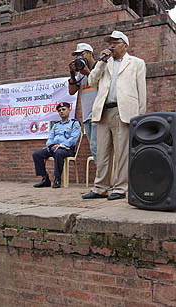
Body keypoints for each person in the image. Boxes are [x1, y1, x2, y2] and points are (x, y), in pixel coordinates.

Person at [82, 30, 146, 201]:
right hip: (103, 111)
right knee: (102, 153)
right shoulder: (104, 63)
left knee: (122, 153)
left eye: (115, 42)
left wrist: (139, 117)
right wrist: (101, 62)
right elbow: (91, 81)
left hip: (123, 112)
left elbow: (142, 91)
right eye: (110, 42)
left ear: (125, 45)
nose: (111, 45)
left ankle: (120, 188)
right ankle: (100, 188)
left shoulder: (137, 63)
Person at [32, 102, 81, 189]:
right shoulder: (56, 125)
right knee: (37, 154)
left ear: (69, 110)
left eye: (63, 109)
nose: (61, 111)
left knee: (59, 153)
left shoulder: (74, 123)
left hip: (67, 149)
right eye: (59, 110)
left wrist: (60, 145)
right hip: (54, 147)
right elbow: (50, 137)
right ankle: (45, 179)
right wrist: (50, 145)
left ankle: (57, 179)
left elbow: (73, 139)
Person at [68, 43, 98, 163]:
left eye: (82, 54)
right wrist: (72, 74)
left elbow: (100, 84)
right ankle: (102, 177)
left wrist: (88, 73)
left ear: (90, 53)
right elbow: (71, 91)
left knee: (98, 148)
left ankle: (102, 178)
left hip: (98, 115)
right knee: (93, 147)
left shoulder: (99, 67)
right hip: (87, 116)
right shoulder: (80, 73)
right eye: (77, 56)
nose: (79, 58)